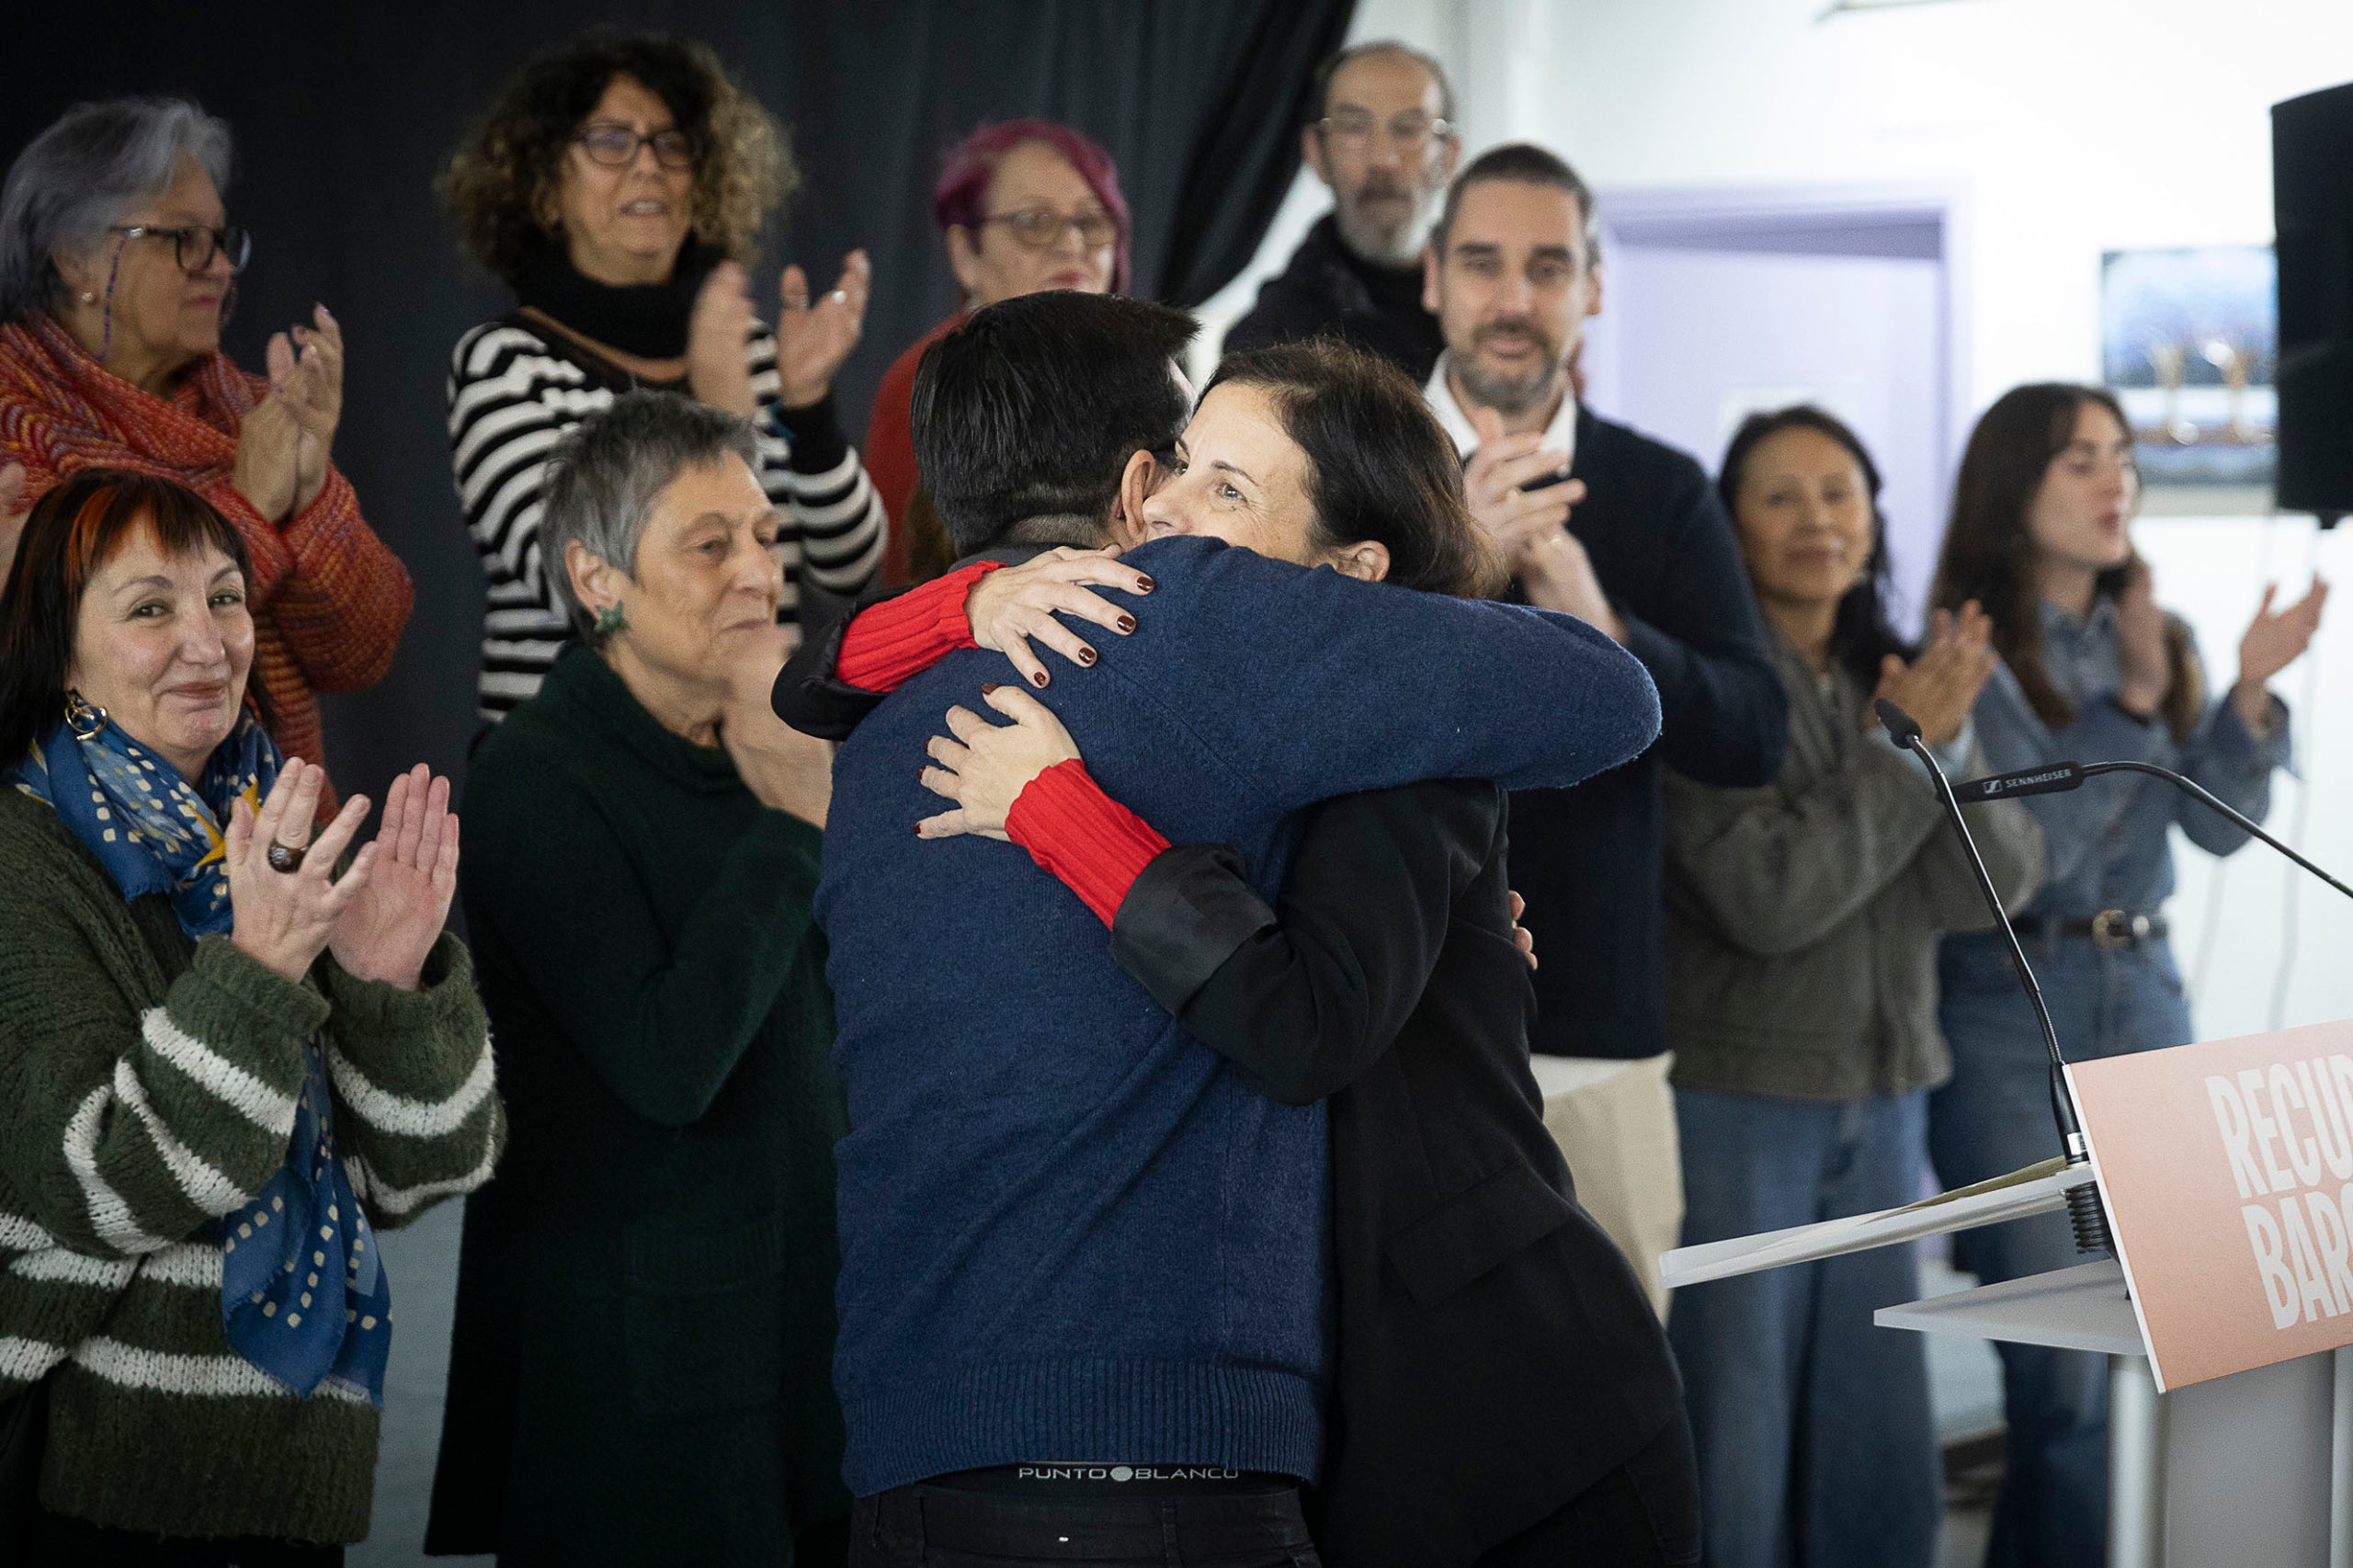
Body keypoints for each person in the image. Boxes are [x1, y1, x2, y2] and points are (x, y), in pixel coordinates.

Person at [784, 294, 1676, 1566]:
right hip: (1175, 1440)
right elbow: (1611, 695)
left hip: (907, 1444)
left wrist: (963, 612)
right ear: (1134, 483)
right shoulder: (1201, 614)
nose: (1177, 514)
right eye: (1185, 469)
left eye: (1227, 484)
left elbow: (806, 680)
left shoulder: (875, 725)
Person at [0, 469, 500, 1566]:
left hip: (295, 1474)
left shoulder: (265, 834)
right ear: (58, 649)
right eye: (150, 607)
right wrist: (260, 967)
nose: (210, 640)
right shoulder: (22, 857)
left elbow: (425, 1170)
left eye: (225, 597)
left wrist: (390, 985)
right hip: (87, 1476)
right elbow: (101, 1181)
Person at [427, 392, 848, 1567]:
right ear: (596, 577)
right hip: (640, 1384)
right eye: (708, 544)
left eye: (763, 536)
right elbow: (668, 1063)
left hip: (811, 1342)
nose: (756, 571)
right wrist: (793, 825)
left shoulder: (775, 741)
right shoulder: (533, 779)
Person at [1926, 382, 2326, 1567]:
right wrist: (2139, 702)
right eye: (2080, 460)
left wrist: (2244, 691)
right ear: (2013, 489)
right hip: (2012, 1007)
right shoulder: (1967, 648)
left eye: (2122, 456)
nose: (2117, 483)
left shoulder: (2156, 628)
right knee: (2060, 1381)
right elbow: (2033, 849)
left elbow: (2211, 825)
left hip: (2147, 992)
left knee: (2169, 1343)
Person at [1662, 408, 2044, 1568]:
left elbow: (1992, 888)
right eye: (1779, 495)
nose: (1815, 519)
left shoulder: (1887, 674)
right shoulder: (1704, 687)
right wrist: (1896, 756)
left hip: (1885, 1097)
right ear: (1729, 524)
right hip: (1741, 1102)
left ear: (1873, 518)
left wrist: (1944, 746)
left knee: (1874, 1428)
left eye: (1838, 492)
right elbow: (1766, 898)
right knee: (1735, 1421)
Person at [1419, 142, 1788, 1311]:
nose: (1513, 298)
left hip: (1598, 1021)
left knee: (1621, 1381)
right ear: (1431, 275)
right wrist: (1453, 568)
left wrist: (1607, 626)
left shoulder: (1662, 487)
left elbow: (1754, 733)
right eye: (1482, 263)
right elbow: (1292, 696)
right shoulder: (1347, 464)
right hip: (1380, 1011)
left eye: (1547, 267)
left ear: (1592, 286)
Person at [440, 28, 884, 722]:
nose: (648, 166)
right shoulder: (505, 362)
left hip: (750, 751)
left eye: (672, 144)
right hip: (579, 756)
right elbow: (575, 582)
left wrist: (808, 407)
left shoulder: (747, 349)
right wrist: (721, 416)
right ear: (544, 187)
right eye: (610, 141)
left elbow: (850, 566)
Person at [0, 97, 415, 800]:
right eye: (183, 239)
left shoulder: (253, 407)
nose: (219, 268)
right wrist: (248, 506)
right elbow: (55, 652)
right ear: (76, 259)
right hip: (84, 838)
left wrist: (313, 495)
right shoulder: (16, 424)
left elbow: (363, 652)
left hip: (282, 831)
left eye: (222, 241)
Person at [861, 119, 1130, 585]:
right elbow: (903, 587)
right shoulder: (924, 383)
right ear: (966, 254)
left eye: (1090, 222)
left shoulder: (1150, 373)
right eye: (1034, 223)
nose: (1072, 244)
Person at [1222, 41, 1458, 381]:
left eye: (1409, 128)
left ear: (1448, 157)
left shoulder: (1493, 307)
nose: (1383, 160)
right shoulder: (1273, 345)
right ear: (1316, 153)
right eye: (1353, 127)